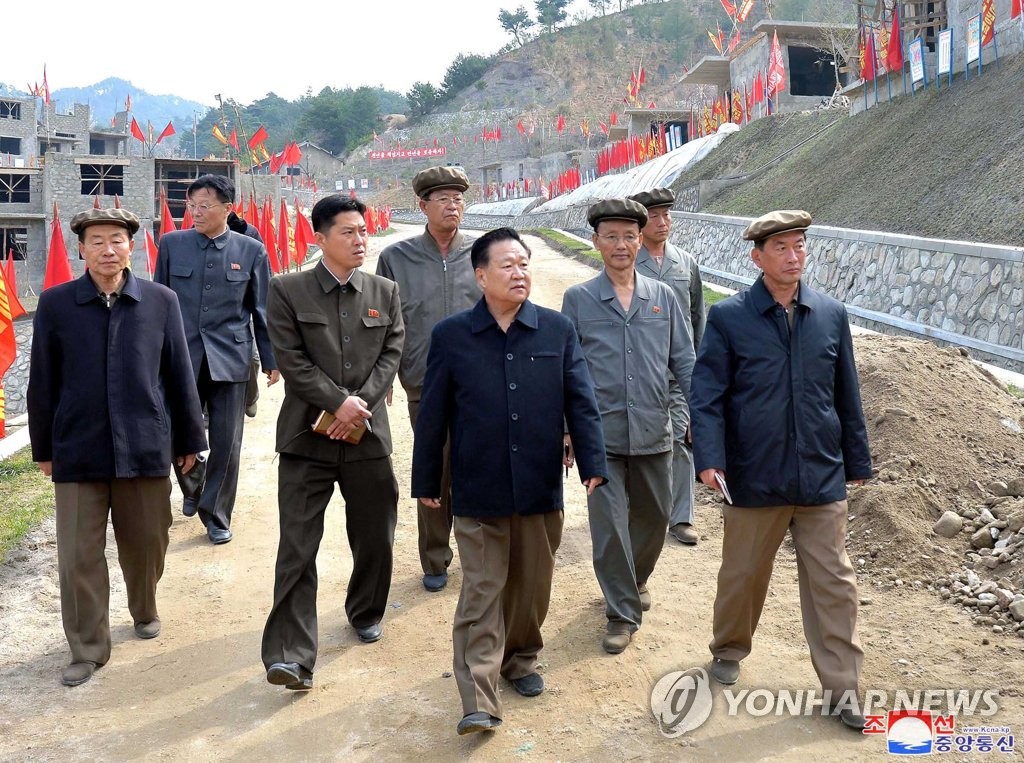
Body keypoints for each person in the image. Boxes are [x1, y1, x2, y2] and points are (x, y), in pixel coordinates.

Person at [412, 227, 607, 735]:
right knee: (481, 590)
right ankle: (478, 696)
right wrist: (427, 480)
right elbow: (433, 416)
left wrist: (593, 465)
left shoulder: (556, 331)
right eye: (507, 265)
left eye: (524, 264)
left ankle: (521, 658)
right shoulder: (452, 336)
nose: (519, 273)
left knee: (530, 588)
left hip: (540, 486)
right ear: (480, 276)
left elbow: (581, 403)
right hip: (478, 489)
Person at [689, 209, 872, 730]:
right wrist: (710, 459)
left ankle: (844, 690)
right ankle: (728, 646)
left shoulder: (831, 315)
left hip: (819, 474)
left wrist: (855, 461)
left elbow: (847, 395)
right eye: (782, 248)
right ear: (757, 257)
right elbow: (707, 397)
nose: (794, 256)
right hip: (754, 474)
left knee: (834, 583)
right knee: (743, 574)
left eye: (800, 246)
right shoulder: (730, 319)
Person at [27, 207, 206, 687]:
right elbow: (41, 381)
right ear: (81, 249)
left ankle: (144, 604)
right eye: (97, 241)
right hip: (78, 447)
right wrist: (43, 446)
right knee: (79, 554)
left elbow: (179, 375)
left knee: (148, 540)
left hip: (145, 444)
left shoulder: (160, 301)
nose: (109, 249)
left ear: (132, 246)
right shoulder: (57, 304)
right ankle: (87, 647)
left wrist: (190, 439)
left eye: (118, 240)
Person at [261, 195, 404, 692]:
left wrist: (357, 405)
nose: (360, 240)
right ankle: (291, 656)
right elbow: (291, 358)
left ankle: (365, 610)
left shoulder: (384, 291)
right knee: (297, 547)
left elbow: (392, 352)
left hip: (367, 438)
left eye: (363, 231)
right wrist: (333, 403)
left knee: (375, 535)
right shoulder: (287, 290)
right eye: (347, 232)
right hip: (306, 440)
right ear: (319, 238)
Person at [561, 199, 695, 654]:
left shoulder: (664, 299)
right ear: (596, 242)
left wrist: (693, 417)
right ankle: (621, 611)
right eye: (611, 236)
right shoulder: (579, 299)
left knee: (655, 521)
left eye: (629, 236)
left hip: (656, 430)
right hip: (600, 437)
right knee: (608, 526)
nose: (621, 245)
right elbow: (568, 370)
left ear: (641, 240)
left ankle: (634, 579)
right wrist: (567, 429)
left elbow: (685, 363)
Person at [154, 174, 279, 544]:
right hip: (181, 357)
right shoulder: (172, 244)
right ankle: (193, 482)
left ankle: (216, 514)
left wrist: (271, 359)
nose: (195, 212)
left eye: (204, 205)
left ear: (228, 207)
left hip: (232, 356)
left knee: (228, 441)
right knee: (174, 432)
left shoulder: (250, 250)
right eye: (191, 206)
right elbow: (158, 303)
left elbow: (262, 309)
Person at [376, 165, 480, 592]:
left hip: (480, 383)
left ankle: (478, 554)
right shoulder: (396, 258)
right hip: (423, 381)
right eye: (443, 198)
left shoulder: (482, 252)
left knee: (476, 466)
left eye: (458, 198)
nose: (452, 205)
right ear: (422, 205)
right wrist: (382, 377)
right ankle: (435, 557)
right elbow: (380, 321)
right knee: (434, 468)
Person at [629, 188, 706, 546]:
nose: (663, 222)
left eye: (667, 215)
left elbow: (696, 317)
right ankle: (644, 510)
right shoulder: (628, 263)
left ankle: (681, 517)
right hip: (641, 372)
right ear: (641, 224)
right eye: (655, 216)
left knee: (682, 439)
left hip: (678, 373)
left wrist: (699, 369)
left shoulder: (685, 263)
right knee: (641, 443)